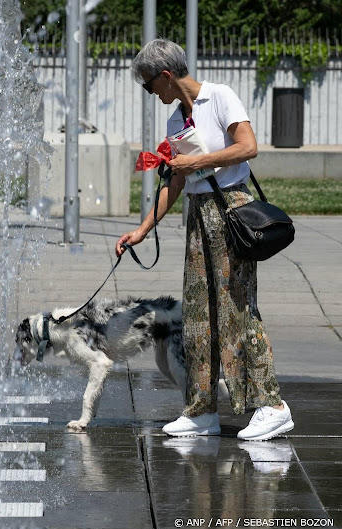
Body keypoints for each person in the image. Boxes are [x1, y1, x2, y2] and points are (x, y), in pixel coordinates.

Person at [116, 39, 294, 441]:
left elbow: (248, 147)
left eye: (149, 86)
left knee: (237, 310)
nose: (151, 94)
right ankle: (202, 410)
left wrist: (197, 160)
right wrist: (143, 229)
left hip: (232, 211)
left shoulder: (220, 98)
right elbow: (176, 181)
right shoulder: (174, 120)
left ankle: (272, 405)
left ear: (165, 76)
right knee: (198, 316)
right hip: (199, 217)